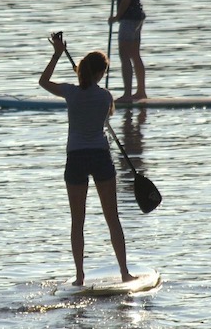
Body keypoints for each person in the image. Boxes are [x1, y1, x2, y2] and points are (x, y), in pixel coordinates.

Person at [39, 32, 134, 286]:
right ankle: (125, 272)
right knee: (112, 217)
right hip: (100, 157)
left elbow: (43, 81)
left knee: (77, 221)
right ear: (100, 74)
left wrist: (57, 54)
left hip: (76, 158)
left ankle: (80, 276)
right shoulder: (105, 97)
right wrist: (89, 83)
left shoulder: (70, 92)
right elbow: (106, 111)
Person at [107, 0, 147, 103]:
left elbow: (126, 0)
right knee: (135, 54)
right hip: (138, 16)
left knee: (124, 55)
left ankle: (128, 94)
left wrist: (116, 17)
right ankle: (141, 91)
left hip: (129, 18)